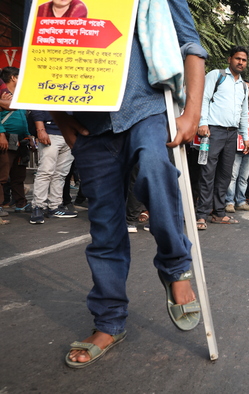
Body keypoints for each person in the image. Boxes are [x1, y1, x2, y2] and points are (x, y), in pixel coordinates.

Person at [52, 0, 207, 368]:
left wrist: (193, 112)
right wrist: (60, 118)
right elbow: (45, 54)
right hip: (89, 120)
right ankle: (109, 323)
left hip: (147, 107)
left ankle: (175, 268)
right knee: (105, 225)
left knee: (155, 169)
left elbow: (191, 44)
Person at [196, 46, 249, 230]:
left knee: (226, 174)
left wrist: (246, 137)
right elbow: (203, 98)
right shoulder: (216, 75)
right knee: (207, 173)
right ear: (230, 59)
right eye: (237, 58)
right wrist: (202, 123)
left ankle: (219, 213)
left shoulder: (243, 86)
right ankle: (201, 215)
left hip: (232, 134)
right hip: (213, 131)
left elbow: (244, 113)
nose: (240, 62)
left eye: (243, 60)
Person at [29, 110, 77, 224]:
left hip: (69, 134)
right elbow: (38, 106)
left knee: (60, 174)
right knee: (45, 172)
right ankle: (38, 207)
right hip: (51, 132)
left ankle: (54, 206)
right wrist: (40, 129)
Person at [0, 67, 31, 222]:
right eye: (20, 76)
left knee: (19, 174)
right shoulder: (3, 95)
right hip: (6, 137)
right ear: (13, 78)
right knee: (3, 173)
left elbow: (22, 119)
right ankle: (0, 205)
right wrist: (1, 135)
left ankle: (21, 203)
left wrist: (27, 135)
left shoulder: (19, 96)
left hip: (20, 140)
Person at [225, 79, 249, 213]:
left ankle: (241, 201)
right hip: (235, 145)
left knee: (244, 176)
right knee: (233, 175)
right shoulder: (233, 107)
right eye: (245, 87)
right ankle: (229, 202)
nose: (247, 90)